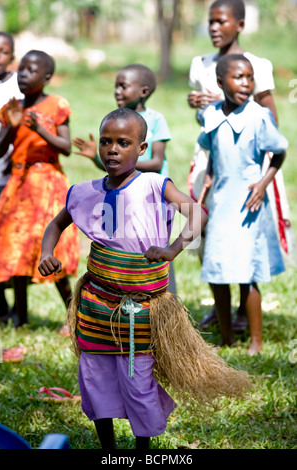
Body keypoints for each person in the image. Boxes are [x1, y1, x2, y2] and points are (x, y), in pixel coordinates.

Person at [38, 108, 251, 449]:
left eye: (123, 143)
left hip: (141, 310)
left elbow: (197, 211)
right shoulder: (84, 191)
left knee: (137, 383)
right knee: (95, 379)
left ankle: (142, 452)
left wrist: (175, 248)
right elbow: (56, 224)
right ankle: (108, 449)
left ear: (142, 148)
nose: (112, 149)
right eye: (106, 142)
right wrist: (47, 253)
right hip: (96, 304)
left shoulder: (154, 185)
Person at [187, 0, 294, 332]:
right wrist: (198, 107)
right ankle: (221, 305)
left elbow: (267, 116)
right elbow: (204, 117)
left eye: (222, 21)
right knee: (206, 230)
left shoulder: (257, 65)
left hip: (247, 161)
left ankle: (245, 312)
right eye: (211, 21)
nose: (215, 27)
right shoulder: (200, 64)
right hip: (212, 159)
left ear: (240, 24)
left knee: (245, 238)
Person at [197, 54, 288, 356]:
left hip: (248, 199)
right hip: (221, 199)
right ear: (221, 83)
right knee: (217, 268)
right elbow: (212, 147)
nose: (246, 83)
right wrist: (209, 175)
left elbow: (279, 152)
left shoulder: (259, 116)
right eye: (239, 78)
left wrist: (263, 184)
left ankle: (256, 342)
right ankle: (226, 338)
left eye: (250, 77)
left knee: (248, 272)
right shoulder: (210, 114)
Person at [73, 63, 177, 294]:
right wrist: (99, 159)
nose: (117, 91)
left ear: (144, 91)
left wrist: (123, 163)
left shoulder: (155, 119)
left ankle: (163, 299)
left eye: (123, 86)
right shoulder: (116, 122)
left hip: (150, 199)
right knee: (118, 243)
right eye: (115, 86)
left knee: (155, 251)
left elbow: (156, 162)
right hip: (122, 193)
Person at [0, 50, 79, 327]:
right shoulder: (13, 106)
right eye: (21, 69)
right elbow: (0, 149)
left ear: (46, 77)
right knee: (16, 250)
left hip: (47, 184)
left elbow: (66, 148)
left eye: (31, 71)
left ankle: (72, 315)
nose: (23, 75)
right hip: (18, 185)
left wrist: (40, 130)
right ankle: (21, 317)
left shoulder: (57, 104)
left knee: (48, 249)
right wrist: (13, 125)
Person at [0, 32, 24, 319]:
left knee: (9, 243)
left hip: (10, 177)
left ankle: (17, 305)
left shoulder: (19, 85)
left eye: (3, 51)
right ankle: (2, 305)